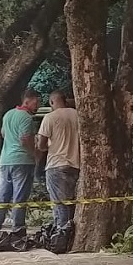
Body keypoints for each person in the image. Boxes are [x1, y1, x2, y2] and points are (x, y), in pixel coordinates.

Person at [0, 88, 40, 240]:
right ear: (27, 101)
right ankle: (17, 231)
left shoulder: (8, 114)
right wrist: (34, 153)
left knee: (2, 197)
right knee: (19, 198)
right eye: (36, 102)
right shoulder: (26, 118)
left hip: (5, 160)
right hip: (22, 161)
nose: (37, 105)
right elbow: (25, 139)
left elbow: (3, 133)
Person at [36, 90, 79, 229]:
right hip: (75, 164)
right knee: (71, 202)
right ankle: (71, 230)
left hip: (56, 164)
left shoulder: (49, 117)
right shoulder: (77, 115)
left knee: (59, 203)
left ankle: (61, 233)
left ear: (51, 102)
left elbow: (41, 144)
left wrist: (46, 146)